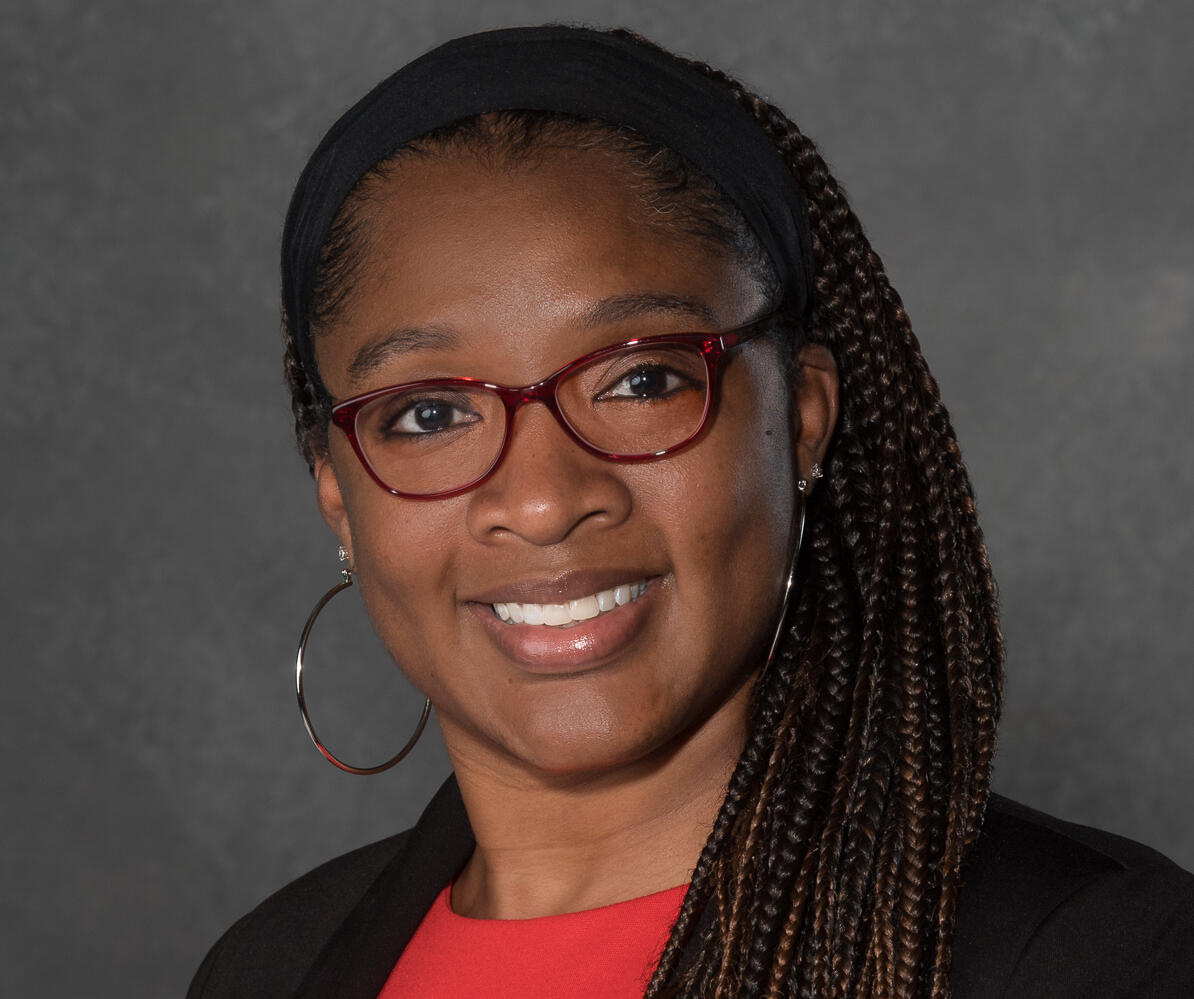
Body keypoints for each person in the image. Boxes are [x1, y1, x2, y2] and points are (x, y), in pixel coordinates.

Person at [187, 24, 1194, 999]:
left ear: (803, 419)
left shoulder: (1095, 958)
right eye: (430, 412)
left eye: (639, 383)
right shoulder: (269, 970)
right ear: (339, 498)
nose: (540, 500)